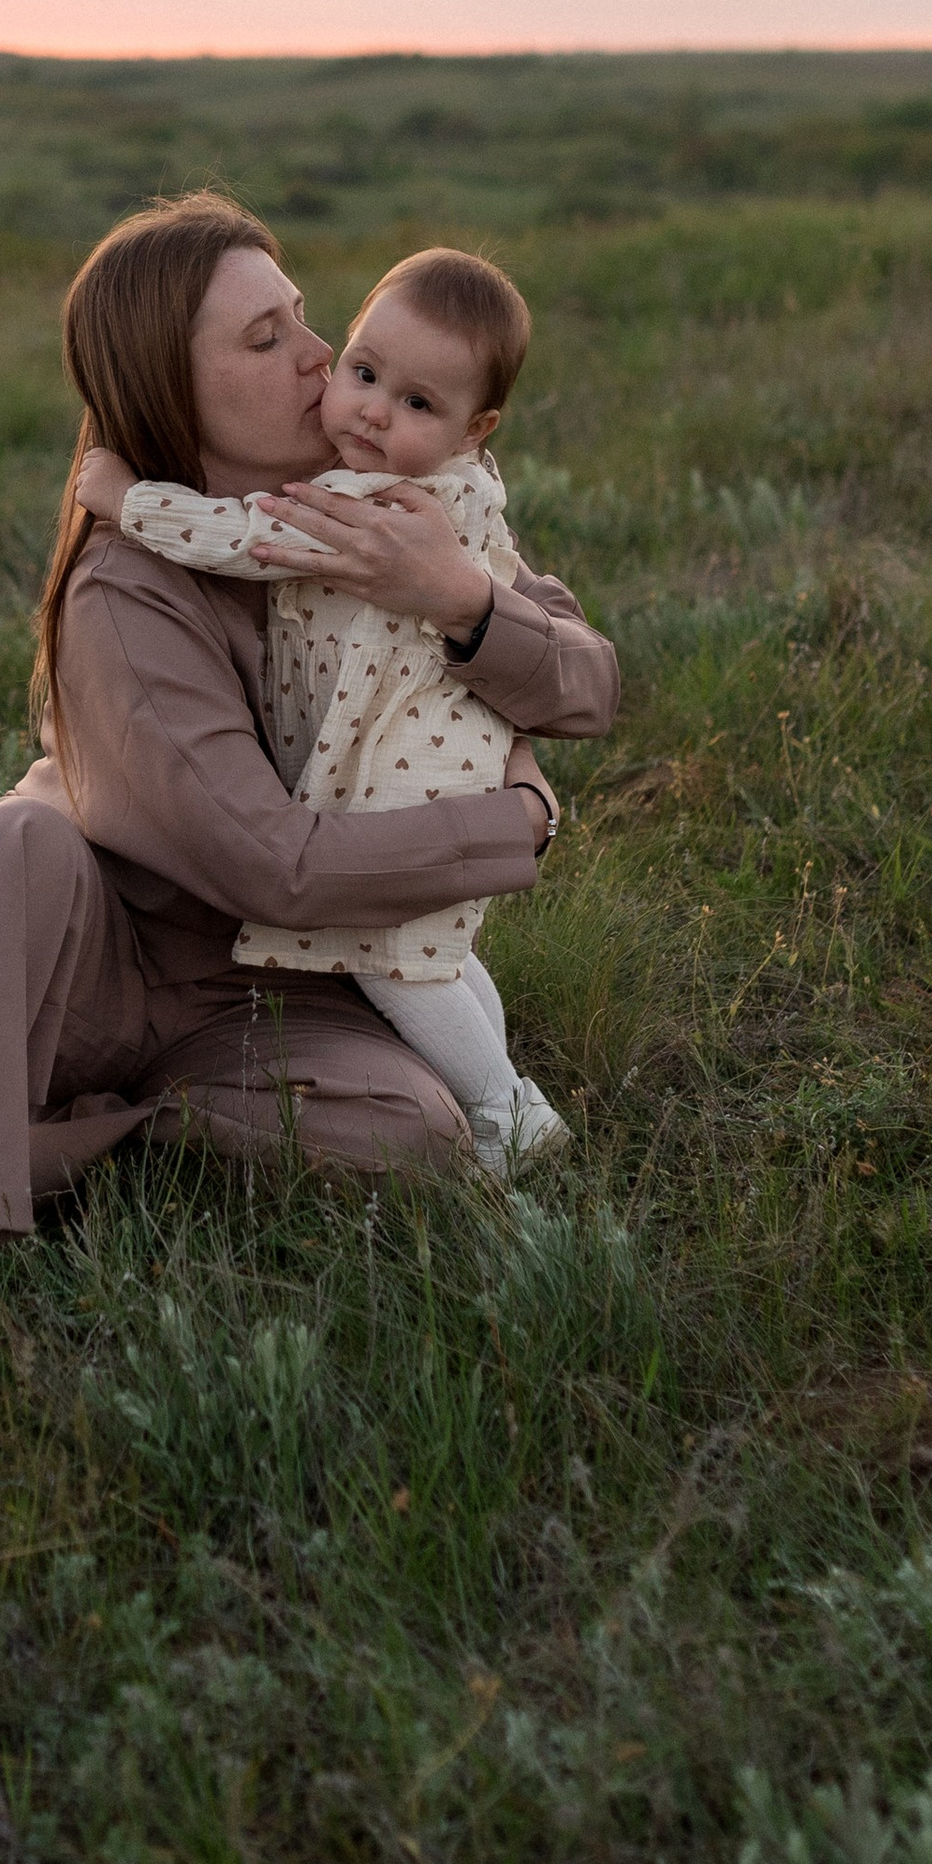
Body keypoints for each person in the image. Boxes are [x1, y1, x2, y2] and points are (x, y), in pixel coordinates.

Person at [0, 193, 619, 1447]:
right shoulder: (129, 587)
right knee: (6, 839)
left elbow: (586, 680)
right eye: (262, 341)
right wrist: (517, 824)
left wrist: (459, 601)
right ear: (168, 395)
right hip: (104, 951)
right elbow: (270, 863)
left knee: (419, 1137)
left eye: (303, 319)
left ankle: (57, 1141)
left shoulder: (388, 507)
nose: (313, 356)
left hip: (277, 988)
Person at [82, 242, 559, 1176]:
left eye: (416, 403)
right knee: (435, 948)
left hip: (403, 760)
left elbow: (244, 536)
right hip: (438, 745)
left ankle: (505, 1107)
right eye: (364, 370)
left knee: (385, 953)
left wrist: (129, 500)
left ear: (475, 426)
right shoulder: (469, 487)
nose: (374, 411)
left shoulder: (367, 503)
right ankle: (511, 1086)